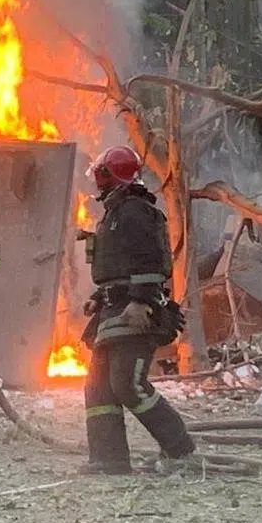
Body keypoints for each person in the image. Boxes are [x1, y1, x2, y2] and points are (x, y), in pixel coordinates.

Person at [80, 145, 196, 474]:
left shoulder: (135, 211)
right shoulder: (116, 213)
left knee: (128, 384)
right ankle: (109, 460)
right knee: (98, 388)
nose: (97, 181)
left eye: (100, 174)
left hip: (134, 311)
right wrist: (98, 296)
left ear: (109, 174)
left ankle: (181, 450)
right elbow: (120, 267)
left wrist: (141, 301)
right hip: (113, 309)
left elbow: (149, 261)